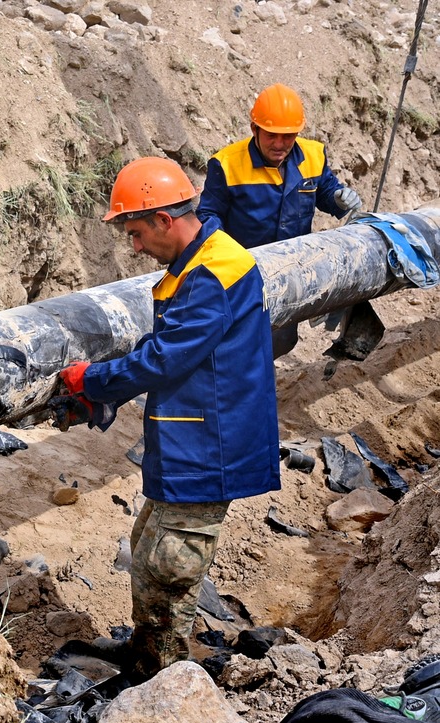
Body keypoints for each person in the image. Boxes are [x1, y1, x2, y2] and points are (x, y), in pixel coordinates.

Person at [58, 157, 281, 681]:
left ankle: (165, 681)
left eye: (136, 233)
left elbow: (166, 358)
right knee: (148, 547)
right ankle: (147, 650)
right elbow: (171, 348)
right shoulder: (199, 263)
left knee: (171, 562)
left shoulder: (211, 275)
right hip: (192, 433)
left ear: (164, 219)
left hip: (210, 443)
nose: (135, 247)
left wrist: (90, 380)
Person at [197, 82, 363, 356]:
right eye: (272, 135)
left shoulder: (313, 155)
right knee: (239, 342)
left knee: (282, 340)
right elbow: (208, 214)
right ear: (255, 129)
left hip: (290, 269)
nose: (280, 144)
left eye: (288, 136)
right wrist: (222, 257)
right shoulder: (226, 164)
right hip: (244, 272)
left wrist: (338, 198)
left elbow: (325, 191)